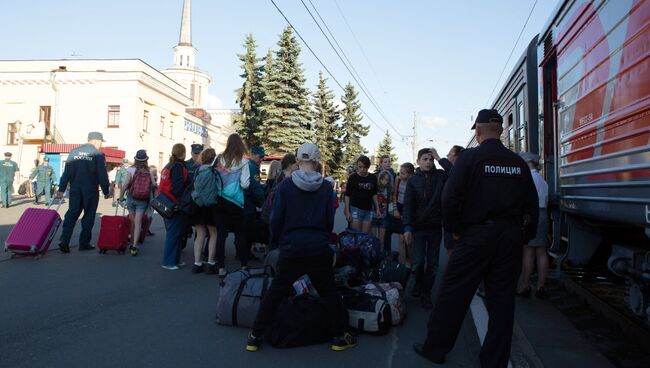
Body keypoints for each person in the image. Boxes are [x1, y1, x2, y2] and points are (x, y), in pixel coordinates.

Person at [413, 109, 539, 368]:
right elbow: (532, 205)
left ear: (478, 131)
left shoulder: (470, 159)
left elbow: (450, 199)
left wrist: (456, 229)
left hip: (475, 236)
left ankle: (435, 348)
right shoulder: (517, 163)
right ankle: (494, 362)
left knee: (453, 295)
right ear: (501, 130)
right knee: (502, 303)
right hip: (509, 238)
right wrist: (524, 236)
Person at [246, 143, 357, 353]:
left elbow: (276, 218)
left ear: (297, 160)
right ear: (317, 161)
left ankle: (255, 336)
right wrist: (323, 238)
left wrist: (277, 241)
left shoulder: (286, 186)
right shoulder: (325, 187)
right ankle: (339, 337)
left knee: (275, 292)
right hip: (317, 246)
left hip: (291, 246)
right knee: (328, 291)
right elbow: (328, 220)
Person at [402, 149, 447, 309]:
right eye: (425, 159)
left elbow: (455, 173)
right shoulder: (413, 180)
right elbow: (408, 205)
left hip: (435, 227)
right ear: (418, 161)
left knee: (433, 264)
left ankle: (426, 293)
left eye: (430, 159)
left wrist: (439, 158)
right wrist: (407, 227)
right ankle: (419, 284)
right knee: (419, 262)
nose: (428, 162)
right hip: (419, 227)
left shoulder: (441, 176)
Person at [56, 132, 111, 252]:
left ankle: (64, 240)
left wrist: (61, 189)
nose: (101, 144)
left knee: (71, 214)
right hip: (90, 189)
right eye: (101, 142)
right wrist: (106, 190)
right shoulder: (97, 154)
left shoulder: (74, 152)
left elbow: (67, 173)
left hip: (75, 189)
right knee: (89, 216)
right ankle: (84, 243)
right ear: (96, 141)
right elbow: (102, 175)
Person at [214, 134, 251, 279]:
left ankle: (221, 268)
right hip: (236, 202)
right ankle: (243, 265)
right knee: (240, 234)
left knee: (221, 235)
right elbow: (245, 184)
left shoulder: (219, 159)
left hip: (219, 200)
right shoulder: (243, 162)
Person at [517, 152, 549, 299]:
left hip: (532, 215)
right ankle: (541, 286)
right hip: (543, 214)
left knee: (528, 252)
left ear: (528, 162)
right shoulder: (543, 181)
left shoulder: (528, 178)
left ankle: (525, 286)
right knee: (541, 252)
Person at [431, 145, 466, 256]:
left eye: (449, 154)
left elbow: (453, 171)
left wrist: (438, 158)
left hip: (459, 219)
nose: (447, 156)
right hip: (448, 219)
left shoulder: (462, 170)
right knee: (450, 248)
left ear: (457, 157)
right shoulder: (446, 172)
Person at [119, 150, 155, 256]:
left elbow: (125, 184)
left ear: (136, 159)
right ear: (146, 160)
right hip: (143, 199)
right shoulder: (149, 171)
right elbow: (153, 185)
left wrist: (121, 197)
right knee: (138, 221)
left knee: (132, 219)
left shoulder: (131, 169)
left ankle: (131, 239)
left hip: (131, 197)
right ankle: (134, 246)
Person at [159, 144, 189, 270]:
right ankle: (168, 261)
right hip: (174, 203)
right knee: (174, 233)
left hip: (166, 201)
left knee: (175, 232)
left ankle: (174, 259)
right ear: (183, 153)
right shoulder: (178, 166)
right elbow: (177, 187)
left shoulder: (169, 165)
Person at [191, 148, 219, 274]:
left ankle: (197, 263)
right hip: (210, 206)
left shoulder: (198, 170)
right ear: (213, 158)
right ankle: (211, 262)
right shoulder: (214, 171)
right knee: (213, 233)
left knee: (200, 233)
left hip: (197, 204)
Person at [388, 162, 415, 266]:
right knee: (401, 239)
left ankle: (411, 264)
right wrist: (395, 209)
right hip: (399, 207)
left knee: (408, 240)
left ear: (410, 174)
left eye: (403, 173)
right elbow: (394, 195)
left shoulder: (414, 181)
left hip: (410, 210)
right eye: (400, 172)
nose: (400, 175)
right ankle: (402, 265)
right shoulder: (398, 179)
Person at [344, 156, 380, 233]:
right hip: (355, 209)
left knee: (365, 236)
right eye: (360, 167)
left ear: (368, 167)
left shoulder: (373, 177)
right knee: (356, 235)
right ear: (357, 165)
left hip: (369, 210)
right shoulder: (353, 177)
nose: (362, 169)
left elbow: (374, 194)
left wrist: (377, 208)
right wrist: (347, 210)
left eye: (365, 167)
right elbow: (347, 195)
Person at [243, 145, 266, 258]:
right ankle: (245, 254)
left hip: (243, 200)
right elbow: (255, 188)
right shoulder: (253, 167)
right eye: (260, 156)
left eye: (263, 157)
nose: (262, 159)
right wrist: (263, 203)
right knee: (248, 229)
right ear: (253, 155)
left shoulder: (247, 164)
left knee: (243, 229)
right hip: (248, 202)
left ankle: (242, 252)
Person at [372, 171, 392, 254]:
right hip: (373, 216)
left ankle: (380, 257)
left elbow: (389, 203)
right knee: (373, 239)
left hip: (383, 217)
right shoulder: (375, 188)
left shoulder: (388, 190)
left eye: (386, 180)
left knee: (381, 240)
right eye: (382, 179)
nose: (384, 181)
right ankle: (373, 256)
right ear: (379, 179)